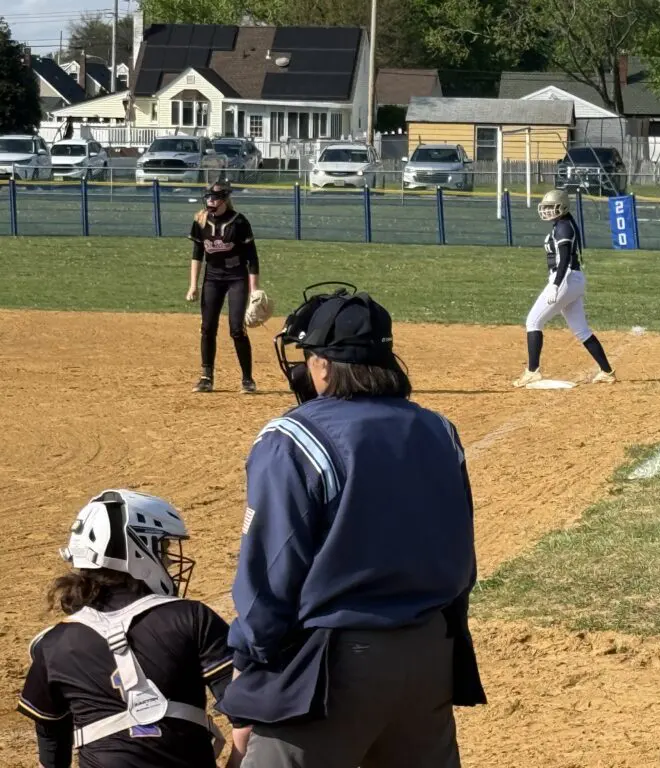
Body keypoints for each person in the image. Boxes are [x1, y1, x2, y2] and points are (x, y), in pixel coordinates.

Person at [217, 284, 485, 768]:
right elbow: (461, 558)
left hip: (329, 673)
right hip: (429, 657)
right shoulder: (440, 430)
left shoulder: (294, 437)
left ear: (323, 366)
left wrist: (251, 665)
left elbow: (270, 576)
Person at [17, 489, 239, 768]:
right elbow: (248, 716)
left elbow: (51, 754)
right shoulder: (191, 617)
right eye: (163, 549)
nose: (169, 561)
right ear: (137, 549)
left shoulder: (53, 644)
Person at [513, 188, 616, 387]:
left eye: (552, 207)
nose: (548, 210)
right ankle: (607, 372)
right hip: (573, 279)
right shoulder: (562, 224)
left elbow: (565, 260)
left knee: (533, 321)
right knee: (582, 331)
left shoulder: (563, 227)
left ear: (563, 207)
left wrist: (555, 285)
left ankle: (532, 371)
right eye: (546, 207)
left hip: (565, 278)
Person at [186, 180, 261, 394]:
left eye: (215, 197)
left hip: (236, 276)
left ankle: (247, 379)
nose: (210, 201)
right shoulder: (200, 221)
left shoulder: (239, 222)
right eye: (208, 197)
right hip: (212, 277)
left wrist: (254, 290)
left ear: (225, 199)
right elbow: (197, 255)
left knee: (237, 329)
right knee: (207, 327)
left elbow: (252, 258)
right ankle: (206, 377)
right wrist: (193, 285)